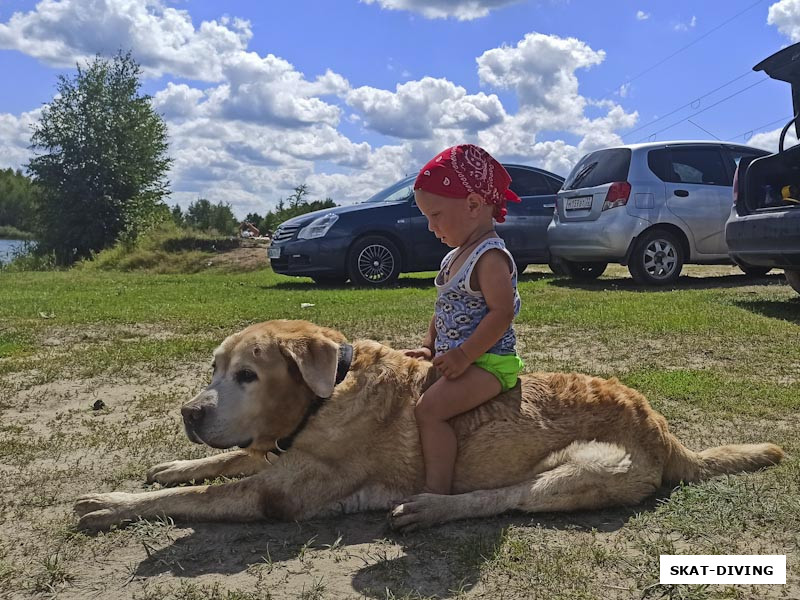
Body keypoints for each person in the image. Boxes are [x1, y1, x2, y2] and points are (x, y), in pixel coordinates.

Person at [404, 144, 524, 495]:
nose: (430, 226)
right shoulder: (455, 257)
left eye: (436, 215)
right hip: (463, 357)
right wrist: (429, 346)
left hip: (489, 362)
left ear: (473, 205)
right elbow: (444, 309)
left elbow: (501, 314)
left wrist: (465, 355)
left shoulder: (490, 257)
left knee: (430, 411)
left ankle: (437, 492)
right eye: (427, 217)